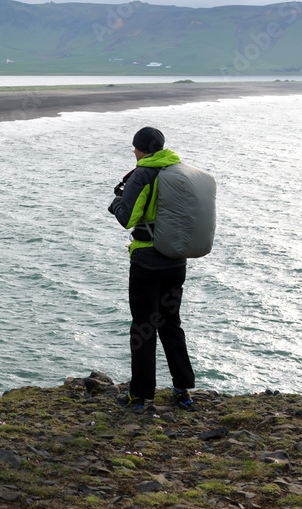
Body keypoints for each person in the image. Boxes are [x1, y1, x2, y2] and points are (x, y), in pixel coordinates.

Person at [107, 126, 195, 410]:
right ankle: (182, 390)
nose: (133, 152)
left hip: (147, 263)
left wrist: (115, 203)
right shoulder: (177, 171)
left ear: (142, 149)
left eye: (134, 147)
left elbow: (129, 219)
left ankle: (139, 395)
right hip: (176, 261)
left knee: (143, 328)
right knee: (171, 324)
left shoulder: (143, 173)